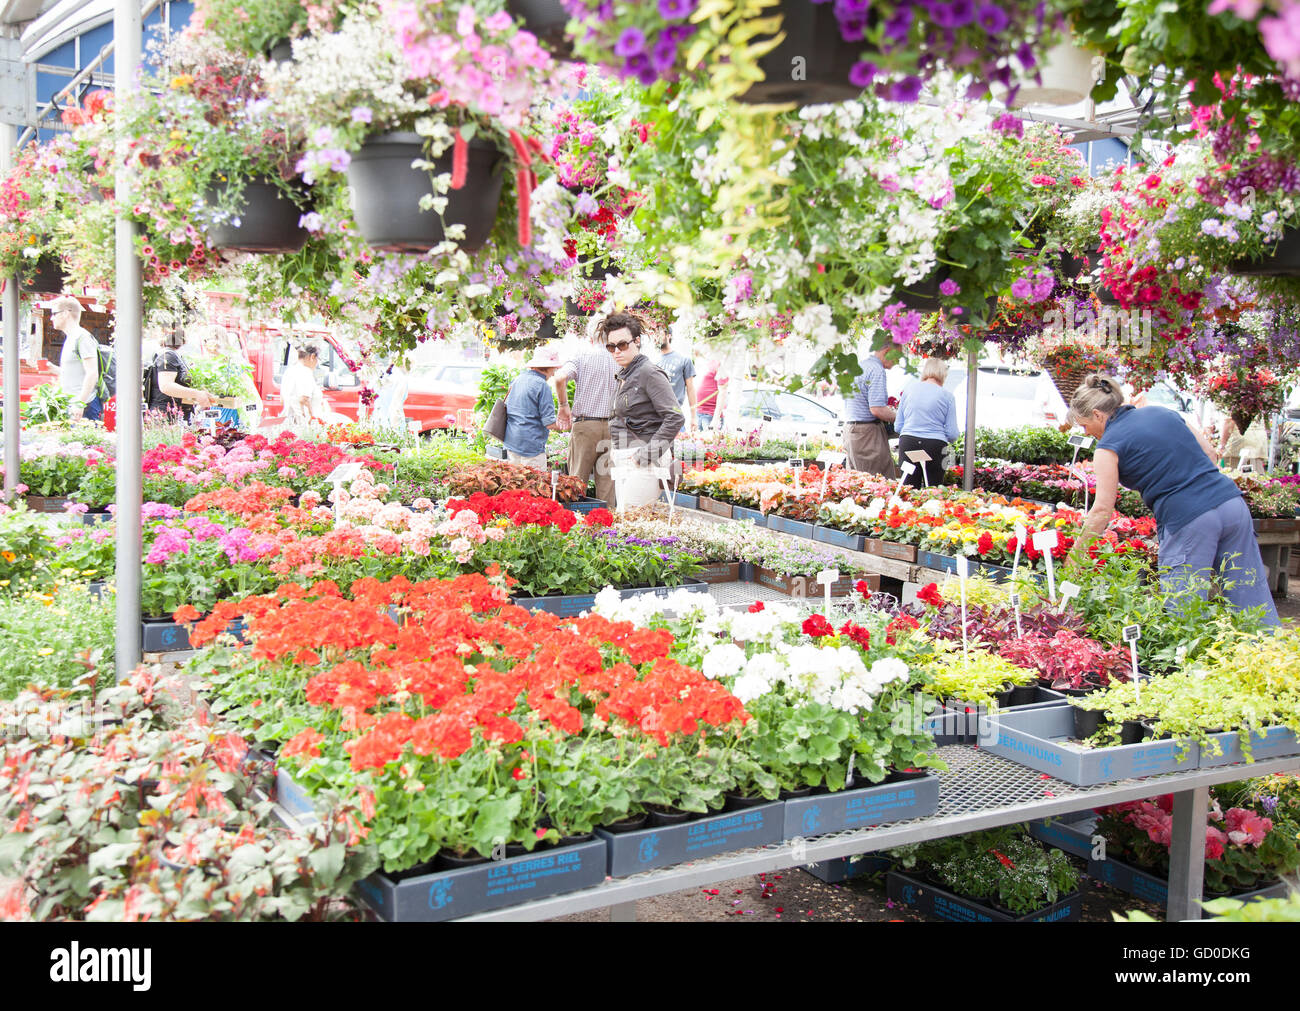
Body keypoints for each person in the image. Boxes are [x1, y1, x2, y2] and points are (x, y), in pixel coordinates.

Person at [1065, 374, 1279, 626]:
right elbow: (1210, 454)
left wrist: (1075, 557)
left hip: (1190, 518)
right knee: (1249, 595)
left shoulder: (1108, 447)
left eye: (1084, 425)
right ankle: (1270, 653)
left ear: (1098, 415)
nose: (1086, 432)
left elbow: (1102, 509)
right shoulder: (1162, 412)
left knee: (1184, 610)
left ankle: (1188, 664)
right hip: (1231, 504)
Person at [604, 312, 683, 508]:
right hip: (627, 458)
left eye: (622, 345)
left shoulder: (649, 372)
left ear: (637, 341)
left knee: (633, 522)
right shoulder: (625, 374)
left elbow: (675, 417)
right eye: (611, 347)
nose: (616, 351)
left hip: (645, 461)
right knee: (626, 522)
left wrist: (644, 455)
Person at [553, 325, 618, 507]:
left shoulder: (582, 356)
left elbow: (559, 378)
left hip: (586, 426)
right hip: (613, 427)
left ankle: (573, 526)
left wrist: (563, 405)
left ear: (591, 335)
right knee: (607, 489)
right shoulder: (619, 358)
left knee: (575, 484)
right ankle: (605, 529)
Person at [895, 357, 959, 487]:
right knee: (934, 488)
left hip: (909, 443)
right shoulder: (948, 396)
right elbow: (952, 433)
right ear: (943, 374)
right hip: (935, 446)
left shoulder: (908, 391)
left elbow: (898, 426)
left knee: (909, 489)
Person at [844, 343, 901, 478]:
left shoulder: (860, 366)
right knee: (877, 484)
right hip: (867, 434)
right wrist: (901, 418)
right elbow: (877, 409)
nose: (898, 361)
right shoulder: (876, 370)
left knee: (856, 483)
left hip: (851, 431)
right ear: (887, 350)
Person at [44, 296, 102, 422]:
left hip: (85, 407)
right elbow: (77, 373)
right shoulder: (71, 338)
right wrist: (52, 369)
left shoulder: (82, 337)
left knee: (86, 441)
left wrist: (80, 403)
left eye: (54, 313)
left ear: (65, 313)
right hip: (74, 406)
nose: (51, 317)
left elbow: (92, 373)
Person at [503, 347, 561, 470]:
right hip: (531, 446)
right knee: (534, 486)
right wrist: (569, 425)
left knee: (515, 485)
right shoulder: (542, 385)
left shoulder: (518, 380)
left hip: (512, 442)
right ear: (548, 367)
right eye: (554, 368)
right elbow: (549, 423)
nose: (554, 373)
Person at [147, 326, 216, 420]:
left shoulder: (171, 355)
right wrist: (197, 393)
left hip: (174, 416)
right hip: (167, 417)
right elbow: (166, 386)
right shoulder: (168, 355)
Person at [280, 343, 335, 432]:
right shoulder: (305, 372)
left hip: (290, 422)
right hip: (305, 426)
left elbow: (282, 399)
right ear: (312, 356)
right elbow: (303, 399)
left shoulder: (289, 371)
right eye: (318, 359)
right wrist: (311, 417)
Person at [653, 331, 698, 432]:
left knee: (680, 447)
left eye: (659, 334)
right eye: (654, 335)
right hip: (656, 418)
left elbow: (690, 389)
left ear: (669, 336)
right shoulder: (654, 363)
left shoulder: (684, 360)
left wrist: (694, 417)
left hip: (675, 415)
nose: (656, 337)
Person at [696, 359, 728, 430]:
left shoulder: (720, 363)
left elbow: (723, 393)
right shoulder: (707, 362)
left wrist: (715, 420)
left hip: (710, 415)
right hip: (699, 412)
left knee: (709, 440)